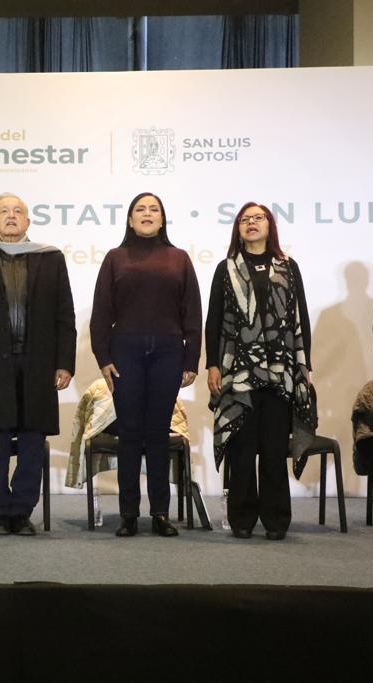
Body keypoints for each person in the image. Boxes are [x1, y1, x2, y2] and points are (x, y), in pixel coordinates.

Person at [0, 192, 76, 535]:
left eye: (18, 211)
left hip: (38, 364)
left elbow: (65, 315)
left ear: (27, 221)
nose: (11, 216)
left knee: (33, 439)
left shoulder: (51, 259)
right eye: (4, 212)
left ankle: (21, 512)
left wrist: (65, 362)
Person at [90, 192, 201, 537]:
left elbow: (193, 312)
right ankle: (128, 514)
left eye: (154, 209)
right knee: (130, 434)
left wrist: (192, 359)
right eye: (140, 209)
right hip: (126, 353)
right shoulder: (115, 257)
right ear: (130, 219)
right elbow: (101, 313)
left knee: (157, 434)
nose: (147, 213)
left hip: (168, 353)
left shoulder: (179, 258)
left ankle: (160, 514)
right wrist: (104, 358)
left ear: (163, 219)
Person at [205, 202, 315, 541]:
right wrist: (212, 364)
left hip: (281, 372)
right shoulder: (226, 269)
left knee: (272, 450)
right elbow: (213, 320)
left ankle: (276, 520)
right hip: (237, 372)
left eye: (258, 218)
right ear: (238, 228)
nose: (251, 223)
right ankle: (241, 518)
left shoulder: (288, 267)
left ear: (270, 226)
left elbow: (301, 318)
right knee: (241, 450)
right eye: (245, 219)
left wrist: (304, 365)